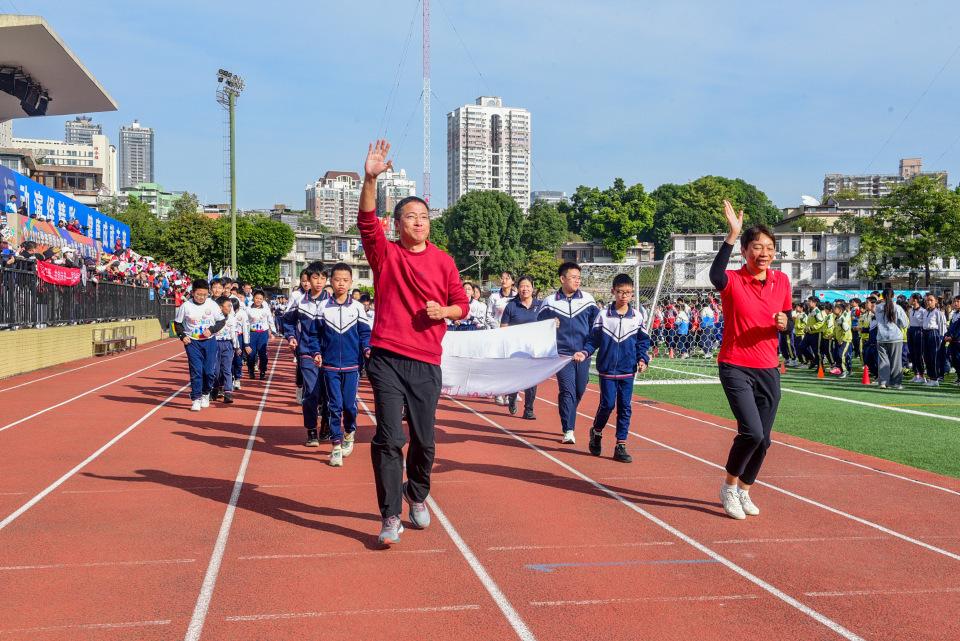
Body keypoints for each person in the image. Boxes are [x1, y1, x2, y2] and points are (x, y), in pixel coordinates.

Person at [358, 140, 469, 546]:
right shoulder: (385, 255)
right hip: (387, 356)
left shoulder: (443, 261)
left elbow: (463, 305)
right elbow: (367, 221)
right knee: (390, 438)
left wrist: (446, 312)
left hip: (426, 361)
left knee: (424, 440)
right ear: (398, 223)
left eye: (424, 217)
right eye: (411, 217)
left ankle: (416, 493)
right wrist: (370, 178)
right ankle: (389, 516)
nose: (419, 222)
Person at [711, 200, 791, 520]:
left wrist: (787, 323)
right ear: (745, 251)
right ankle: (729, 486)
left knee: (765, 440)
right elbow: (715, 275)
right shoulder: (733, 280)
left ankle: (744, 489)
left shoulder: (781, 281)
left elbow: (788, 317)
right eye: (756, 246)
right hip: (735, 364)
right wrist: (732, 234)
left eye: (769, 247)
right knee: (752, 433)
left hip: (768, 368)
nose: (764, 252)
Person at [574, 273, 651, 463]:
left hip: (627, 370)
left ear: (632, 294)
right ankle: (597, 431)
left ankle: (621, 445)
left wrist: (643, 359)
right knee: (608, 404)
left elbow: (642, 342)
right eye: (620, 292)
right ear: (613, 292)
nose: (624, 296)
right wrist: (584, 352)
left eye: (628, 293)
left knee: (625, 407)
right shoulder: (603, 316)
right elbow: (594, 340)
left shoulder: (637, 317)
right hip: (607, 370)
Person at [537, 261, 600, 444]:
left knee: (579, 390)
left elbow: (595, 328)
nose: (577, 281)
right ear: (562, 279)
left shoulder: (588, 300)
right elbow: (538, 327)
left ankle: (568, 412)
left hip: (582, 354)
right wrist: (549, 326)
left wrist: (587, 350)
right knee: (567, 391)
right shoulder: (549, 302)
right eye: (573, 277)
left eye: (579, 278)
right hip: (561, 355)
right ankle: (568, 429)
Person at [318, 263, 372, 466]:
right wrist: (316, 352)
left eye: (345, 280)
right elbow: (314, 334)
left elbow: (365, 334)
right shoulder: (323, 307)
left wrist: (367, 349)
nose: (341, 283)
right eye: (337, 280)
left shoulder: (357, 307)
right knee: (334, 405)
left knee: (349, 405)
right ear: (331, 281)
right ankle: (336, 445)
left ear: (351, 282)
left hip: (351, 366)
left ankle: (349, 431)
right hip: (330, 366)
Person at [283, 263, 332, 447]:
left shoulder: (332, 301)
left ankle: (326, 424)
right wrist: (290, 337)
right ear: (307, 280)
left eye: (322, 278)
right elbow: (287, 322)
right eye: (315, 278)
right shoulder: (300, 301)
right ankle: (311, 429)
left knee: (329, 393)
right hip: (306, 353)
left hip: (329, 354)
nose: (319, 282)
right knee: (311, 392)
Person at [173, 280, 226, 412]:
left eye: (204, 294)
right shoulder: (186, 306)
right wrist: (182, 336)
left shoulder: (212, 304)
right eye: (199, 294)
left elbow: (221, 321)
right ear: (193, 293)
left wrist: (212, 330)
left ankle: (206, 393)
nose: (202, 297)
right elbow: (177, 324)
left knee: (209, 372)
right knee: (196, 370)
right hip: (192, 342)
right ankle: (196, 398)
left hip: (209, 341)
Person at [499, 275, 541, 419]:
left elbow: (548, 323)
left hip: (534, 349)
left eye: (528, 286)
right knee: (516, 378)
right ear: (518, 288)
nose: (525, 289)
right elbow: (503, 327)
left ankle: (529, 409)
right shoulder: (511, 306)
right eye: (522, 286)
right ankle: (512, 397)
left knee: (532, 379)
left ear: (532, 288)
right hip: (515, 349)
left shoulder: (540, 305)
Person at [876, 287, 909, 389]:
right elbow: (905, 324)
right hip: (895, 337)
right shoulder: (897, 307)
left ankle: (883, 382)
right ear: (893, 296)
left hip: (881, 337)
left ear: (883, 296)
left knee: (883, 361)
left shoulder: (878, 307)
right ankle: (895, 383)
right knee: (896, 362)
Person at [211, 296, 242, 404]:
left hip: (227, 344)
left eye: (231, 306)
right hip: (215, 344)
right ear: (220, 307)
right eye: (228, 306)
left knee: (227, 369)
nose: (230, 308)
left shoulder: (232, 319)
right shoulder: (214, 318)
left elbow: (234, 334)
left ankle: (228, 392)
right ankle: (215, 389)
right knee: (216, 370)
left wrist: (236, 347)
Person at [243, 289, 277, 380]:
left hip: (263, 333)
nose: (258, 300)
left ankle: (262, 371)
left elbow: (270, 320)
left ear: (263, 300)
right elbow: (246, 323)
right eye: (256, 298)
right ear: (253, 298)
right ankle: (251, 370)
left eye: (260, 299)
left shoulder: (266, 309)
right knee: (251, 354)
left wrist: (273, 331)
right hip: (252, 333)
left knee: (262, 353)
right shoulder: (248, 309)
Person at [921, 292, 946, 387]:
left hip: (934, 334)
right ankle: (931, 377)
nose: (928, 302)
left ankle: (935, 378)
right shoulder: (925, 312)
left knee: (934, 357)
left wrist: (941, 338)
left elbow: (942, 326)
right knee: (926, 357)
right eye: (927, 300)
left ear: (935, 301)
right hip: (925, 333)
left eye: (931, 300)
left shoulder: (938, 313)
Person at [831, 301, 853, 378]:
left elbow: (846, 330)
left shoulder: (843, 319)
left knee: (841, 355)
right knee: (838, 355)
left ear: (840, 310)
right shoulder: (837, 318)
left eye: (835, 308)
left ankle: (844, 371)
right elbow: (836, 329)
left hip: (845, 340)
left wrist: (842, 339)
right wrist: (832, 335)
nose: (833, 310)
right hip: (838, 340)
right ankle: (846, 369)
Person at [907, 294, 925, 382]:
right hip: (911, 331)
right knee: (912, 354)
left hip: (919, 332)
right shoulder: (910, 310)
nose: (909, 300)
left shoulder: (923, 311)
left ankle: (922, 375)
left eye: (910, 299)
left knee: (919, 354)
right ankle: (916, 374)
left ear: (915, 300)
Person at [945, 296, 960, 385]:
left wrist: (953, 337)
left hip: (958, 341)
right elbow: (951, 328)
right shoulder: (954, 314)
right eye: (954, 301)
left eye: (958, 301)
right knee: (954, 360)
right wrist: (947, 335)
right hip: (953, 342)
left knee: (958, 359)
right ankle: (959, 377)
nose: (955, 303)